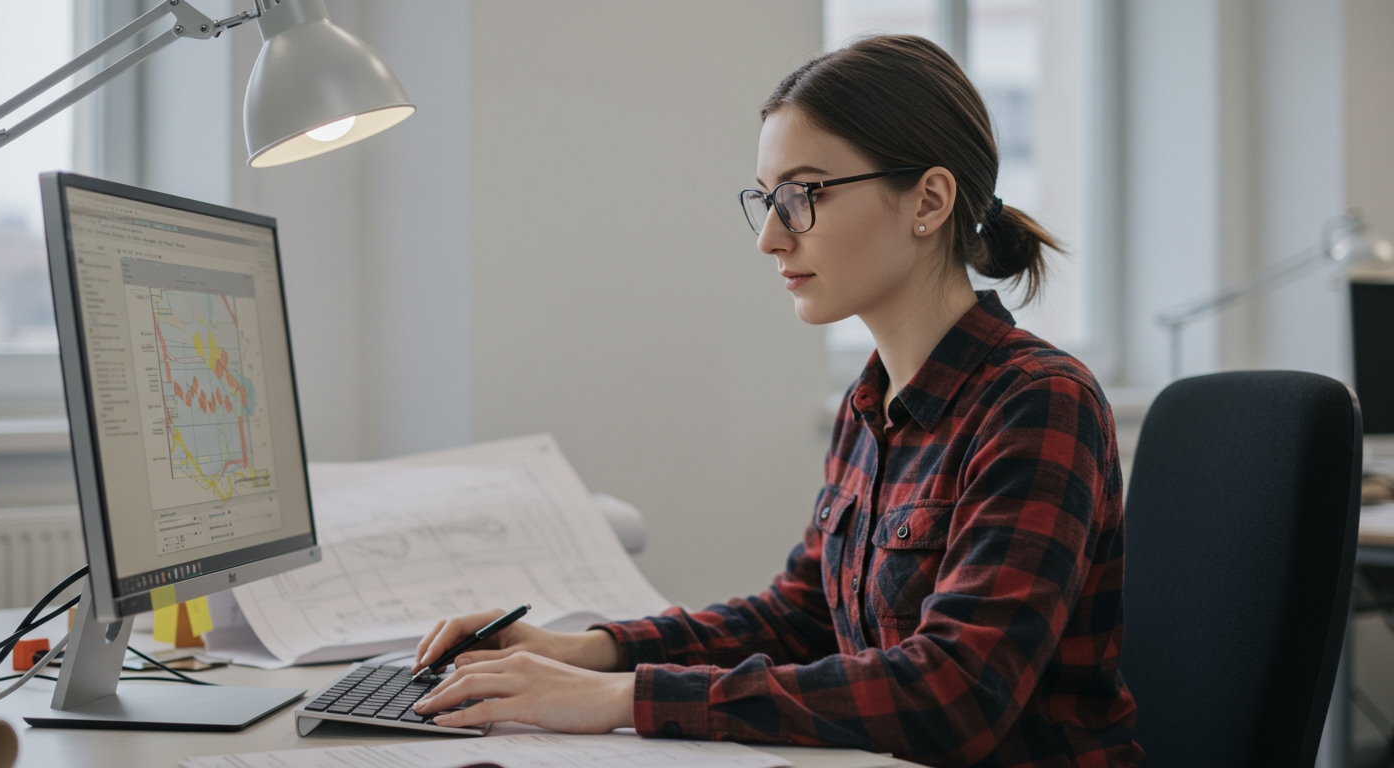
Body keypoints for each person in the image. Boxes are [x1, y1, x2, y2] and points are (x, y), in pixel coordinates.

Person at [412, 34, 1144, 767]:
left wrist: (621, 698)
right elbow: (801, 617)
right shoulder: (872, 402)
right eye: (767, 200)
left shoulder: (1039, 403)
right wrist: (583, 650)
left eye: (801, 196)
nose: (769, 237)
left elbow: (954, 693)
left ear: (928, 201)